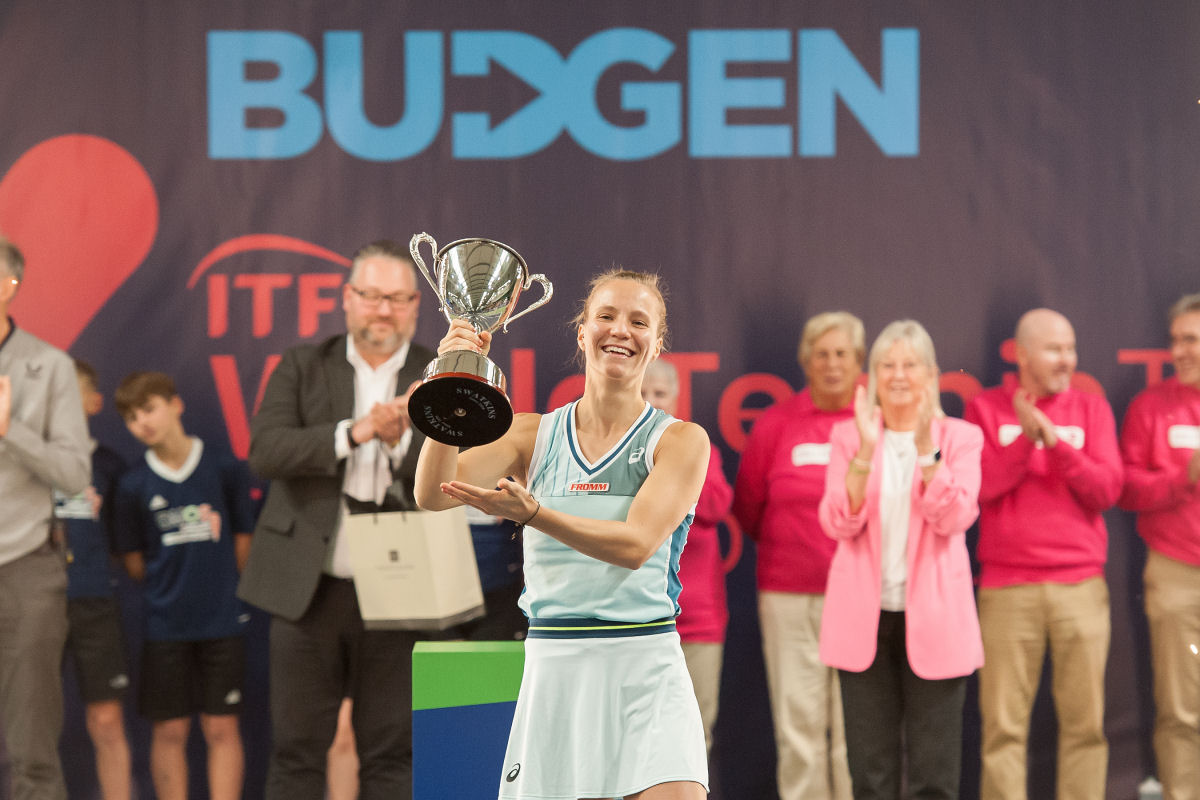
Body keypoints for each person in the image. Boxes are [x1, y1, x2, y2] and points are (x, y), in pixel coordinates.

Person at [415, 269, 710, 800]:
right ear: (582, 332)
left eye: (638, 321)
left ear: (657, 342)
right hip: (556, 667)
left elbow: (635, 546)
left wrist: (535, 515)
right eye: (606, 316)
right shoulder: (532, 432)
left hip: (646, 666)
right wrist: (449, 382)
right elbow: (434, 492)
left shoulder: (681, 441)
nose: (621, 330)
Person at [237, 239, 435, 800]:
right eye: (371, 295)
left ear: (415, 305)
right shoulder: (302, 364)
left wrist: (400, 447)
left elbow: (460, 476)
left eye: (397, 299)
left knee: (392, 753)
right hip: (308, 587)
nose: (382, 310)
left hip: (403, 586)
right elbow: (267, 451)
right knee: (296, 752)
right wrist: (358, 431)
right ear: (347, 299)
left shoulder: (436, 374)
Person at [818, 319, 983, 800]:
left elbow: (955, 518)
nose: (897, 375)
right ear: (871, 375)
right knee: (871, 773)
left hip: (936, 623)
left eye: (910, 364)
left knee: (935, 775)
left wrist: (928, 452)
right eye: (887, 364)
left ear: (930, 375)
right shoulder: (849, 437)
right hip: (864, 624)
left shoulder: (960, 438)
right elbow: (838, 522)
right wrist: (867, 452)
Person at [963, 308, 1123, 800]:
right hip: (1008, 589)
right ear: (1023, 354)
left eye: (1071, 349)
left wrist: (1055, 444)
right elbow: (978, 487)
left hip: (1080, 586)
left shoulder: (1092, 409)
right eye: (1055, 349)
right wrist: (1022, 444)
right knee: (1003, 731)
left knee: (1085, 727)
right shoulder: (986, 409)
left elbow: (1108, 490)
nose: (1067, 360)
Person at [733, 311, 864, 800]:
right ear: (806, 362)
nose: (832, 365)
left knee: (856, 734)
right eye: (822, 355)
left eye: (842, 355)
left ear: (858, 362)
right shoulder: (777, 424)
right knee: (799, 729)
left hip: (861, 596)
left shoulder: (875, 421)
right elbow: (749, 507)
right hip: (789, 597)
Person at [111, 371, 255, 800]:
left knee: (221, 726)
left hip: (223, 621)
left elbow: (242, 543)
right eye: (133, 417)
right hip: (165, 625)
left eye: (150, 408)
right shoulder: (131, 485)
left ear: (176, 405)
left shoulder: (225, 468)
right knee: (170, 729)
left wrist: (219, 586)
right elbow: (134, 560)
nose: (144, 422)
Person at [0, 234, 91, 800]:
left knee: (32, 748)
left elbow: (75, 473)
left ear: (10, 287)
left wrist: (9, 430)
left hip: (24, 565)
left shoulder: (47, 366)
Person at [1117, 293, 1200, 800]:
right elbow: (1126, 488)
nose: (1179, 351)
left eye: (1190, 340)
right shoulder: (1151, 407)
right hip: (1176, 575)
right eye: (1175, 341)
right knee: (1181, 707)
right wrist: (1181, 477)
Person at [642, 357, 733, 755]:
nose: (649, 402)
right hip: (634, 620)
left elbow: (715, 507)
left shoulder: (697, 446)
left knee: (694, 740)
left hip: (696, 622)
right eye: (642, 393)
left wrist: (672, 470)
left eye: (659, 394)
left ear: (677, 399)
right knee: (637, 740)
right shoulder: (609, 450)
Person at [54, 360, 133, 800]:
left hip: (95, 603)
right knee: (32, 723)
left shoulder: (110, 466)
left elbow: (125, 546)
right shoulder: (23, 460)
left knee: (106, 720)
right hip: (35, 603)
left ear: (93, 401)